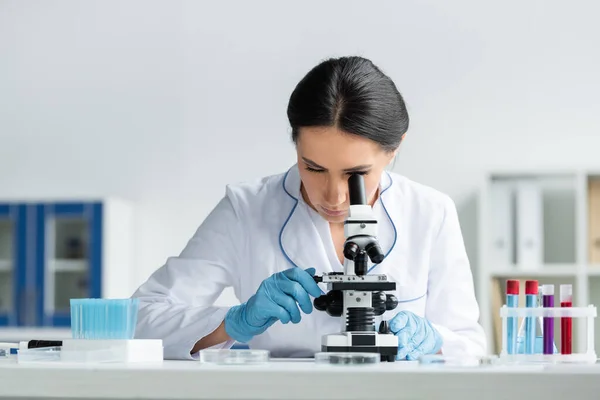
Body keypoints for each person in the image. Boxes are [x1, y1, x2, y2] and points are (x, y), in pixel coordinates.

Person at [131, 56, 487, 360]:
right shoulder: (247, 209)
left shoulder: (430, 213)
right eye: (314, 168)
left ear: (394, 150)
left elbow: (469, 345)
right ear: (295, 144)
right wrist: (235, 321)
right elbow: (141, 319)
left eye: (357, 174)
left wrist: (435, 341)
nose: (333, 196)